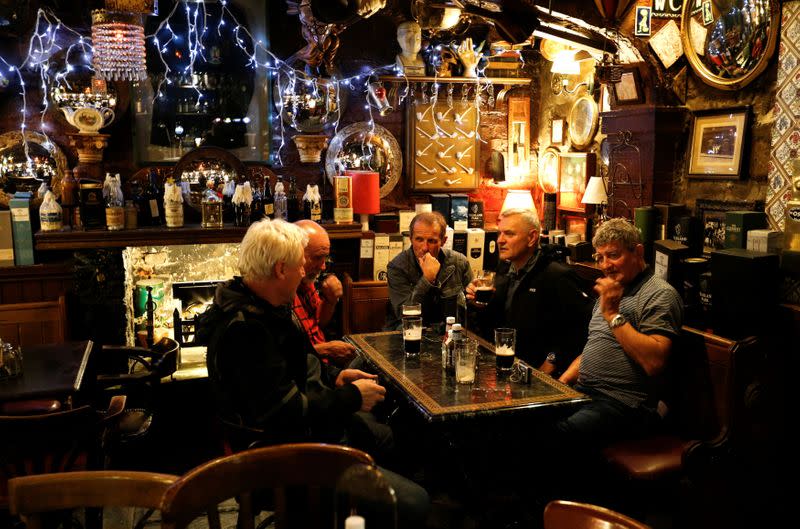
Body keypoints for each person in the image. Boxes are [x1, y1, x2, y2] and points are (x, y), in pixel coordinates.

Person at [196, 219, 429, 526]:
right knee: (416, 502)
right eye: (298, 265)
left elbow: (299, 364)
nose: (304, 272)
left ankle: (367, 507)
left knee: (392, 436)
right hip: (285, 464)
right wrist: (352, 397)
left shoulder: (267, 307)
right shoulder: (247, 330)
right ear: (281, 269)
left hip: (297, 441)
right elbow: (287, 411)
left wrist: (336, 377)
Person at [555, 217, 684, 450]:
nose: (605, 265)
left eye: (613, 255)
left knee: (559, 433)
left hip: (626, 405)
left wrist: (613, 314)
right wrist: (560, 384)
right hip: (586, 394)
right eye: (600, 257)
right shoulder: (611, 292)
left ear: (638, 251)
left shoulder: (659, 294)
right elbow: (595, 346)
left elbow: (654, 361)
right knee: (525, 420)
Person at [466, 208, 594, 375]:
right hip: (505, 365)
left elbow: (582, 328)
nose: (500, 240)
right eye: (500, 234)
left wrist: (552, 362)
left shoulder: (557, 275)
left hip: (538, 374)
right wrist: (479, 306)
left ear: (532, 237)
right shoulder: (504, 269)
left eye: (509, 234)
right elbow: (499, 325)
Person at [386, 211, 473, 329]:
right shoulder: (397, 267)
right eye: (419, 239)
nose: (425, 248)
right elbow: (405, 316)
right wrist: (427, 280)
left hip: (450, 332)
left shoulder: (459, 262)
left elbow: (471, 311)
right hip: (410, 333)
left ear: (443, 241)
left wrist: (476, 299)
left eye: (432, 241)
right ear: (411, 238)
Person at [293, 219, 356, 366]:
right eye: (317, 258)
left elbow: (319, 322)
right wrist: (326, 349)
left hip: (322, 366)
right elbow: (285, 357)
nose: (323, 267)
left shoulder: (306, 281)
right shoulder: (280, 292)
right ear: (294, 253)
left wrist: (331, 300)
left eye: (325, 258)